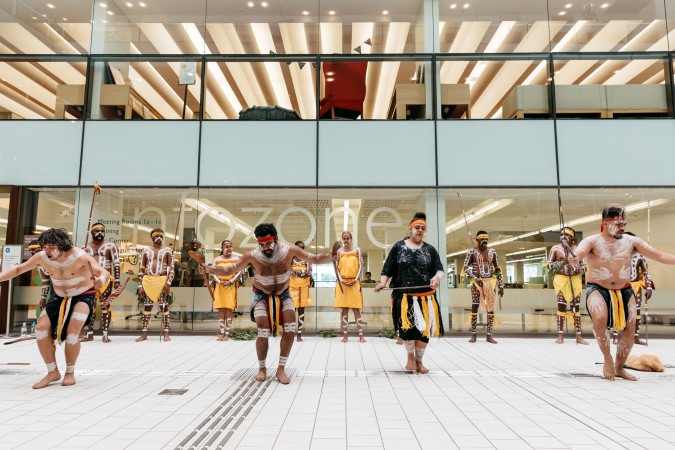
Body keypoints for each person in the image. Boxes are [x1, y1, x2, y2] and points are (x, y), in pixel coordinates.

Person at [200, 223, 336, 384]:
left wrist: (330, 256)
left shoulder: (289, 250)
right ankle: (262, 368)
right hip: (260, 295)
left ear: (276, 238)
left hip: (284, 293)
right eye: (261, 244)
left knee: (290, 327)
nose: (265, 247)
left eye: (268, 243)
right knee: (263, 330)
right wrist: (209, 269)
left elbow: (314, 258)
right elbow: (229, 270)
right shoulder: (252, 255)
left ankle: (281, 369)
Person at [571, 205, 675, 381]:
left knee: (630, 328)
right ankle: (607, 359)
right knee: (599, 318)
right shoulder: (591, 241)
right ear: (605, 222)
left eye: (624, 224)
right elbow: (578, 253)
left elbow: (660, 256)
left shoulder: (631, 242)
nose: (622, 227)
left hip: (624, 289)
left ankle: (620, 367)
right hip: (597, 288)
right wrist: (573, 258)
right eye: (618, 223)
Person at [0, 228, 109, 388]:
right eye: (44, 247)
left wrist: (100, 280)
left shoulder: (80, 256)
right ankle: (53, 372)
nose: (47, 251)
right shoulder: (42, 257)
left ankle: (70, 372)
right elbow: (18, 269)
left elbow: (104, 272)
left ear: (62, 244)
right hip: (58, 296)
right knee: (40, 330)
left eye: (51, 247)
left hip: (83, 295)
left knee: (72, 334)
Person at [375, 212, 445, 373]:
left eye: (423, 228)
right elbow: (388, 269)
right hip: (404, 298)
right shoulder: (399, 247)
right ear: (411, 229)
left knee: (423, 331)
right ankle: (410, 358)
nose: (420, 230)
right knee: (407, 330)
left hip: (426, 298)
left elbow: (440, 269)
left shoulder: (430, 250)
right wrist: (383, 282)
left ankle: (419, 361)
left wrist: (436, 278)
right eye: (417, 228)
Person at [547, 227, 588, 345]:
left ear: (572, 237)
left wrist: (575, 267)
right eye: (561, 235)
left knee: (575, 307)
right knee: (561, 306)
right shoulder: (555, 249)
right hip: (560, 281)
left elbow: (584, 267)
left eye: (566, 235)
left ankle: (578, 336)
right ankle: (560, 335)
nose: (563, 237)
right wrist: (562, 263)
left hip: (575, 280)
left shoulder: (579, 250)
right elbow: (549, 265)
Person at [81, 223, 121, 343]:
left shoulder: (110, 246)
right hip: (90, 280)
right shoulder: (85, 247)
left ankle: (105, 334)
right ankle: (89, 334)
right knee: (89, 307)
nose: (100, 233)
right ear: (92, 232)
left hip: (105, 280)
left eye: (102, 231)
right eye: (97, 231)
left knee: (105, 305)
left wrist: (117, 280)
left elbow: (116, 263)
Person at [463, 231, 504, 344]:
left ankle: (489, 335)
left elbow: (497, 269)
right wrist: (475, 278)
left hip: (490, 283)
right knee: (474, 307)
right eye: (482, 239)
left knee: (490, 308)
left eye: (486, 239)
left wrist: (501, 284)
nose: (484, 241)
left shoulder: (492, 252)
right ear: (477, 240)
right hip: (477, 283)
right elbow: (465, 268)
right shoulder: (472, 252)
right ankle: (474, 334)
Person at [136, 228, 174, 342]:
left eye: (161, 236)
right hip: (148, 281)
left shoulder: (168, 250)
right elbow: (141, 268)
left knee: (164, 306)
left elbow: (172, 268)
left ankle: (166, 332)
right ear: (152, 237)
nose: (159, 238)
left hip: (162, 281)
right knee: (147, 306)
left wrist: (168, 283)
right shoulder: (146, 250)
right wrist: (140, 285)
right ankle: (144, 333)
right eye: (156, 236)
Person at [622, 232, 654, 345]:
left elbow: (646, 272)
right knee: (620, 310)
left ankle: (635, 337)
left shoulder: (639, 256)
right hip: (621, 286)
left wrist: (649, 287)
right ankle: (619, 336)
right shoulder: (617, 255)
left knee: (636, 311)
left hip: (635, 286)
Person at [334, 231, 366, 343]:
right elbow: (337, 268)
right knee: (344, 309)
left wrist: (355, 279)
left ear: (351, 238)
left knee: (356, 309)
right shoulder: (339, 251)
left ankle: (361, 335)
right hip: (342, 283)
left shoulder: (357, 249)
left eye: (348, 238)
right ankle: (345, 335)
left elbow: (361, 266)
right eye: (344, 238)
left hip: (354, 282)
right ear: (342, 239)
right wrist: (342, 280)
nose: (346, 240)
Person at [211, 240, 242, 341]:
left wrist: (230, 281)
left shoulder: (236, 259)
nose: (229, 248)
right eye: (226, 246)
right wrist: (219, 281)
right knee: (221, 309)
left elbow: (239, 272)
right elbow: (213, 273)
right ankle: (222, 333)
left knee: (229, 309)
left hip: (231, 286)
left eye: (230, 246)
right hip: (219, 286)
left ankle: (227, 333)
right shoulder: (217, 259)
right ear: (222, 248)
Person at [290, 240, 312, 342]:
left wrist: (297, 272)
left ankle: (299, 333)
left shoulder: (307, 259)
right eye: (299, 247)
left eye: (302, 247)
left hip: (303, 288)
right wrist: (302, 272)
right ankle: (290, 333)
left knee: (301, 310)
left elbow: (309, 273)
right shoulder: (290, 259)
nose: (301, 249)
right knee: (291, 311)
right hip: (292, 288)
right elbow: (287, 271)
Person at [27, 240, 51, 319]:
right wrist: (43, 298)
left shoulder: (53, 259)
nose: (34, 253)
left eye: (36, 250)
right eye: (32, 251)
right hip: (55, 291)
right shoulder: (39, 264)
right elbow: (45, 280)